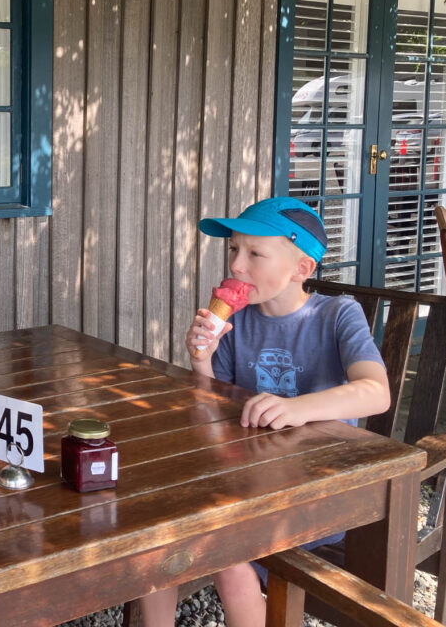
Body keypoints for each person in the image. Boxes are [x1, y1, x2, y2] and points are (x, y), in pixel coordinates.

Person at [139, 197, 390, 627]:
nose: (237, 265)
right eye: (234, 249)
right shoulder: (238, 323)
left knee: (226, 554)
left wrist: (295, 408)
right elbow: (210, 412)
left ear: (301, 269)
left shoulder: (337, 315)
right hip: (246, 482)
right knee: (159, 518)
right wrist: (201, 361)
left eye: (255, 253)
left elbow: (376, 392)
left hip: (319, 492)